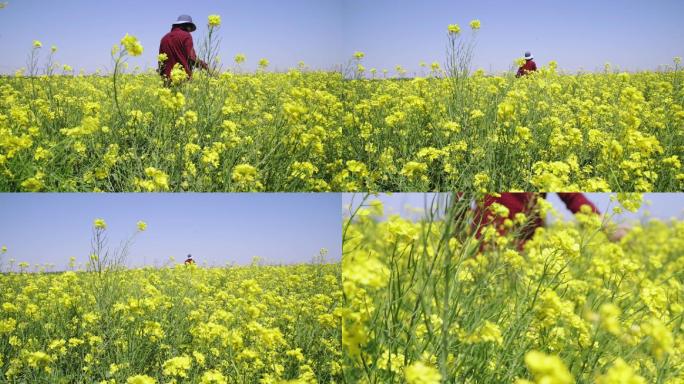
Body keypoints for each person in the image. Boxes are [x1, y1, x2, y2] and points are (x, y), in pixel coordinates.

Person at [473, 193, 626, 249]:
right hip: (483, 246)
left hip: (525, 248)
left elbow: (572, 197)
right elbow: (461, 197)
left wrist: (608, 227)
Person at [159, 15, 208, 83]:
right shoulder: (186, 36)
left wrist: (162, 76)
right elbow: (192, 58)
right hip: (182, 79)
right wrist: (205, 67)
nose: (190, 31)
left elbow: (161, 61)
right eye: (190, 27)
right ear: (186, 26)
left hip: (167, 80)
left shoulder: (164, 38)